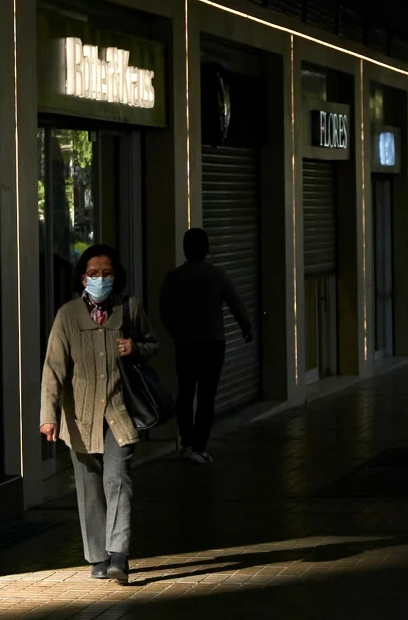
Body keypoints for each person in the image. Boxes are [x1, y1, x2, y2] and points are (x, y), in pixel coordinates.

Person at [40, 245, 158, 585]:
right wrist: (48, 415)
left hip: (119, 411)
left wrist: (136, 348)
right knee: (89, 485)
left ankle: (119, 554)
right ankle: (98, 556)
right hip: (79, 416)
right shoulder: (67, 316)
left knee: (117, 478)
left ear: (116, 277)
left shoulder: (129, 310)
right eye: (94, 273)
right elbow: (53, 369)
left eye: (107, 273)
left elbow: (155, 345)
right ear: (83, 278)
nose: (100, 279)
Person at [158, 227, 253, 465]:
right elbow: (236, 304)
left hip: (186, 344)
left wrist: (175, 333)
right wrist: (246, 328)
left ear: (185, 249)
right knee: (207, 395)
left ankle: (187, 441)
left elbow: (164, 311)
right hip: (213, 343)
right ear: (207, 248)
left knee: (186, 393)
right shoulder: (218, 275)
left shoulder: (173, 277)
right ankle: (199, 446)